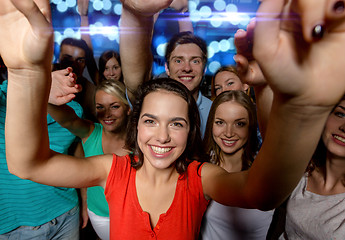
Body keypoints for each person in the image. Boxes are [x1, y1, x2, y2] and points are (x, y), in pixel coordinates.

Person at [3, 0, 345, 239]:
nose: (162, 136)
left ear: (192, 128)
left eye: (177, 123)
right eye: (151, 121)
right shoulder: (112, 170)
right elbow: (27, 163)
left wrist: (304, 107)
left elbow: (262, 193)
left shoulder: (199, 178)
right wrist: (23, 71)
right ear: (136, 127)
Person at [0, 68, 82, 239]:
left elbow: (77, 151)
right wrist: (36, 86)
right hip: (16, 225)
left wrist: (87, 199)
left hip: (66, 212)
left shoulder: (74, 110)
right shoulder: (4, 100)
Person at [48, 79, 131, 240]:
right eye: (100, 107)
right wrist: (50, 96)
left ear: (128, 109)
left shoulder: (141, 138)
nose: (107, 114)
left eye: (114, 106)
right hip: (100, 215)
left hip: (131, 214)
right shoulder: (90, 132)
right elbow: (67, 120)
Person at [120, 1, 212, 137]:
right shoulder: (153, 99)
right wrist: (134, 13)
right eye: (178, 61)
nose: (187, 68)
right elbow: (135, 79)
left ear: (204, 69)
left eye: (195, 61)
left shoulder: (214, 111)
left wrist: (183, 12)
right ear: (167, 68)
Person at [200, 90, 273, 240]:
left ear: (251, 126)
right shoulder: (200, 168)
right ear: (211, 124)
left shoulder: (266, 173)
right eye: (220, 122)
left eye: (239, 124)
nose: (228, 133)